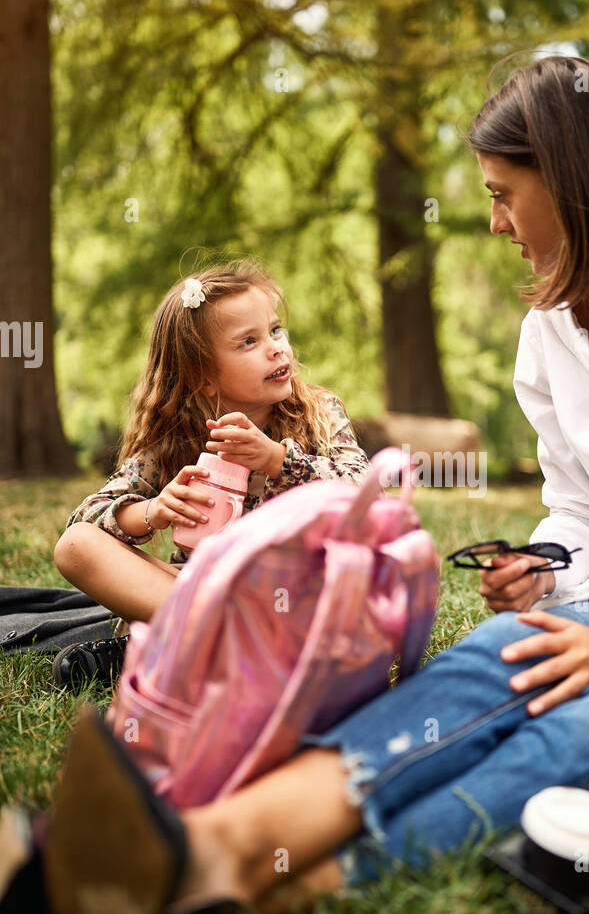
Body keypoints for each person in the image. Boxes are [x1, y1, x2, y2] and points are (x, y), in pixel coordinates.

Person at [3, 55, 589, 914]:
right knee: (485, 662)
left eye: (504, 194)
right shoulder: (549, 332)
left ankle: (275, 887)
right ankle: (206, 847)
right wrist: (548, 565)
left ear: (575, 182)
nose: (495, 224)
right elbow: (581, 512)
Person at [51, 261, 369, 686]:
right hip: (211, 596)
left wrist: (278, 460)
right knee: (75, 546)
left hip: (298, 594)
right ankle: (230, 644)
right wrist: (153, 511)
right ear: (203, 378)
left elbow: (368, 494)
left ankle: (177, 650)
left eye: (276, 330)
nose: (277, 348)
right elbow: (88, 517)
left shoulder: (319, 413)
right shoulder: (180, 439)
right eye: (248, 342)